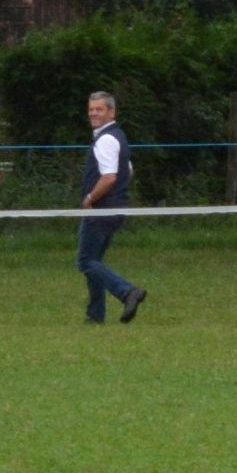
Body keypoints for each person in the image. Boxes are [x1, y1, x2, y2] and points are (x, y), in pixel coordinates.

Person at [78, 90, 146, 325]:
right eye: (91, 109)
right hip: (115, 208)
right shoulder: (116, 136)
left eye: (99, 109)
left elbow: (109, 177)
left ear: (111, 112)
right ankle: (95, 315)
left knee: (86, 261)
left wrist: (89, 198)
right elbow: (127, 168)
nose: (94, 113)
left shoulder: (106, 138)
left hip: (102, 210)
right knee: (94, 261)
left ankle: (127, 291)